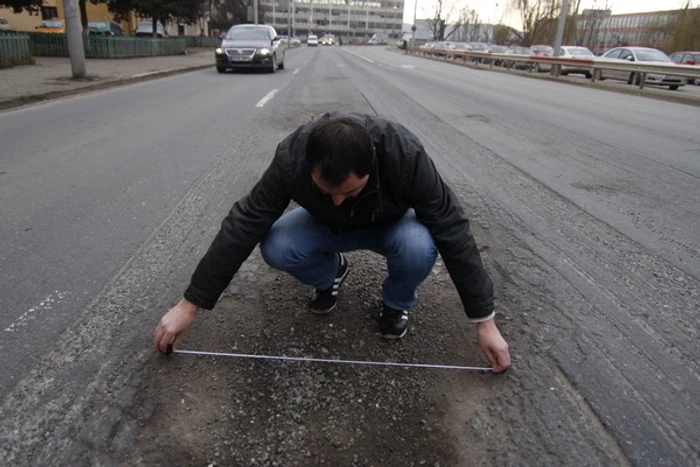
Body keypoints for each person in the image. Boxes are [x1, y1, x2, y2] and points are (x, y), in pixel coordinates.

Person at [154, 112, 511, 372]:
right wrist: (190, 304)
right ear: (309, 168)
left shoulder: (404, 155)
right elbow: (246, 220)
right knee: (276, 246)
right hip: (324, 225)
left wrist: (485, 320)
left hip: (391, 224)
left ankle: (396, 303)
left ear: (372, 163)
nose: (339, 199)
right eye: (327, 191)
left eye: (350, 190)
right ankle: (331, 274)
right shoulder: (292, 157)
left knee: (419, 246)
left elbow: (451, 225)